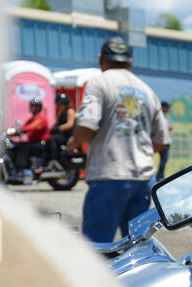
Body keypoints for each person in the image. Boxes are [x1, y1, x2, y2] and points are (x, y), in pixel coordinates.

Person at [66, 36, 168, 244]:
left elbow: (87, 125)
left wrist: (73, 143)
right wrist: (137, 153)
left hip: (108, 177)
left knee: (98, 247)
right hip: (143, 179)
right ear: (129, 62)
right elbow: (161, 140)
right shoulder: (148, 91)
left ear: (101, 59)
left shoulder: (98, 83)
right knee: (136, 247)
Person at [13, 97, 50, 174]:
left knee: (24, 147)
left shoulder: (41, 118)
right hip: (33, 142)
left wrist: (22, 130)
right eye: (32, 106)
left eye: (36, 106)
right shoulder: (31, 118)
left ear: (40, 107)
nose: (33, 108)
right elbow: (23, 126)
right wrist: (13, 132)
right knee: (16, 146)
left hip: (40, 143)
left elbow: (31, 126)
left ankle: (21, 169)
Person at [157, 101, 173, 178]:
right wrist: (168, 127)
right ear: (162, 107)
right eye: (166, 107)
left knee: (164, 160)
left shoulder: (166, 116)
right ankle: (160, 176)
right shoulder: (160, 116)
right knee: (163, 159)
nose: (168, 109)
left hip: (166, 142)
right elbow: (160, 128)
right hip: (162, 142)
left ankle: (160, 175)